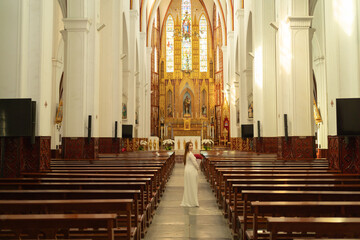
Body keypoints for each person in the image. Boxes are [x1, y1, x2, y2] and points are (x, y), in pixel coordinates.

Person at [180, 141, 200, 207]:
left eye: (192, 145)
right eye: (190, 146)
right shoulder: (190, 154)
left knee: (189, 186)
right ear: (187, 147)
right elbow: (195, 163)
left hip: (187, 170)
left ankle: (189, 200)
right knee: (192, 186)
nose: (191, 147)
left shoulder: (186, 153)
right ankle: (193, 202)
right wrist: (198, 168)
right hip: (191, 171)